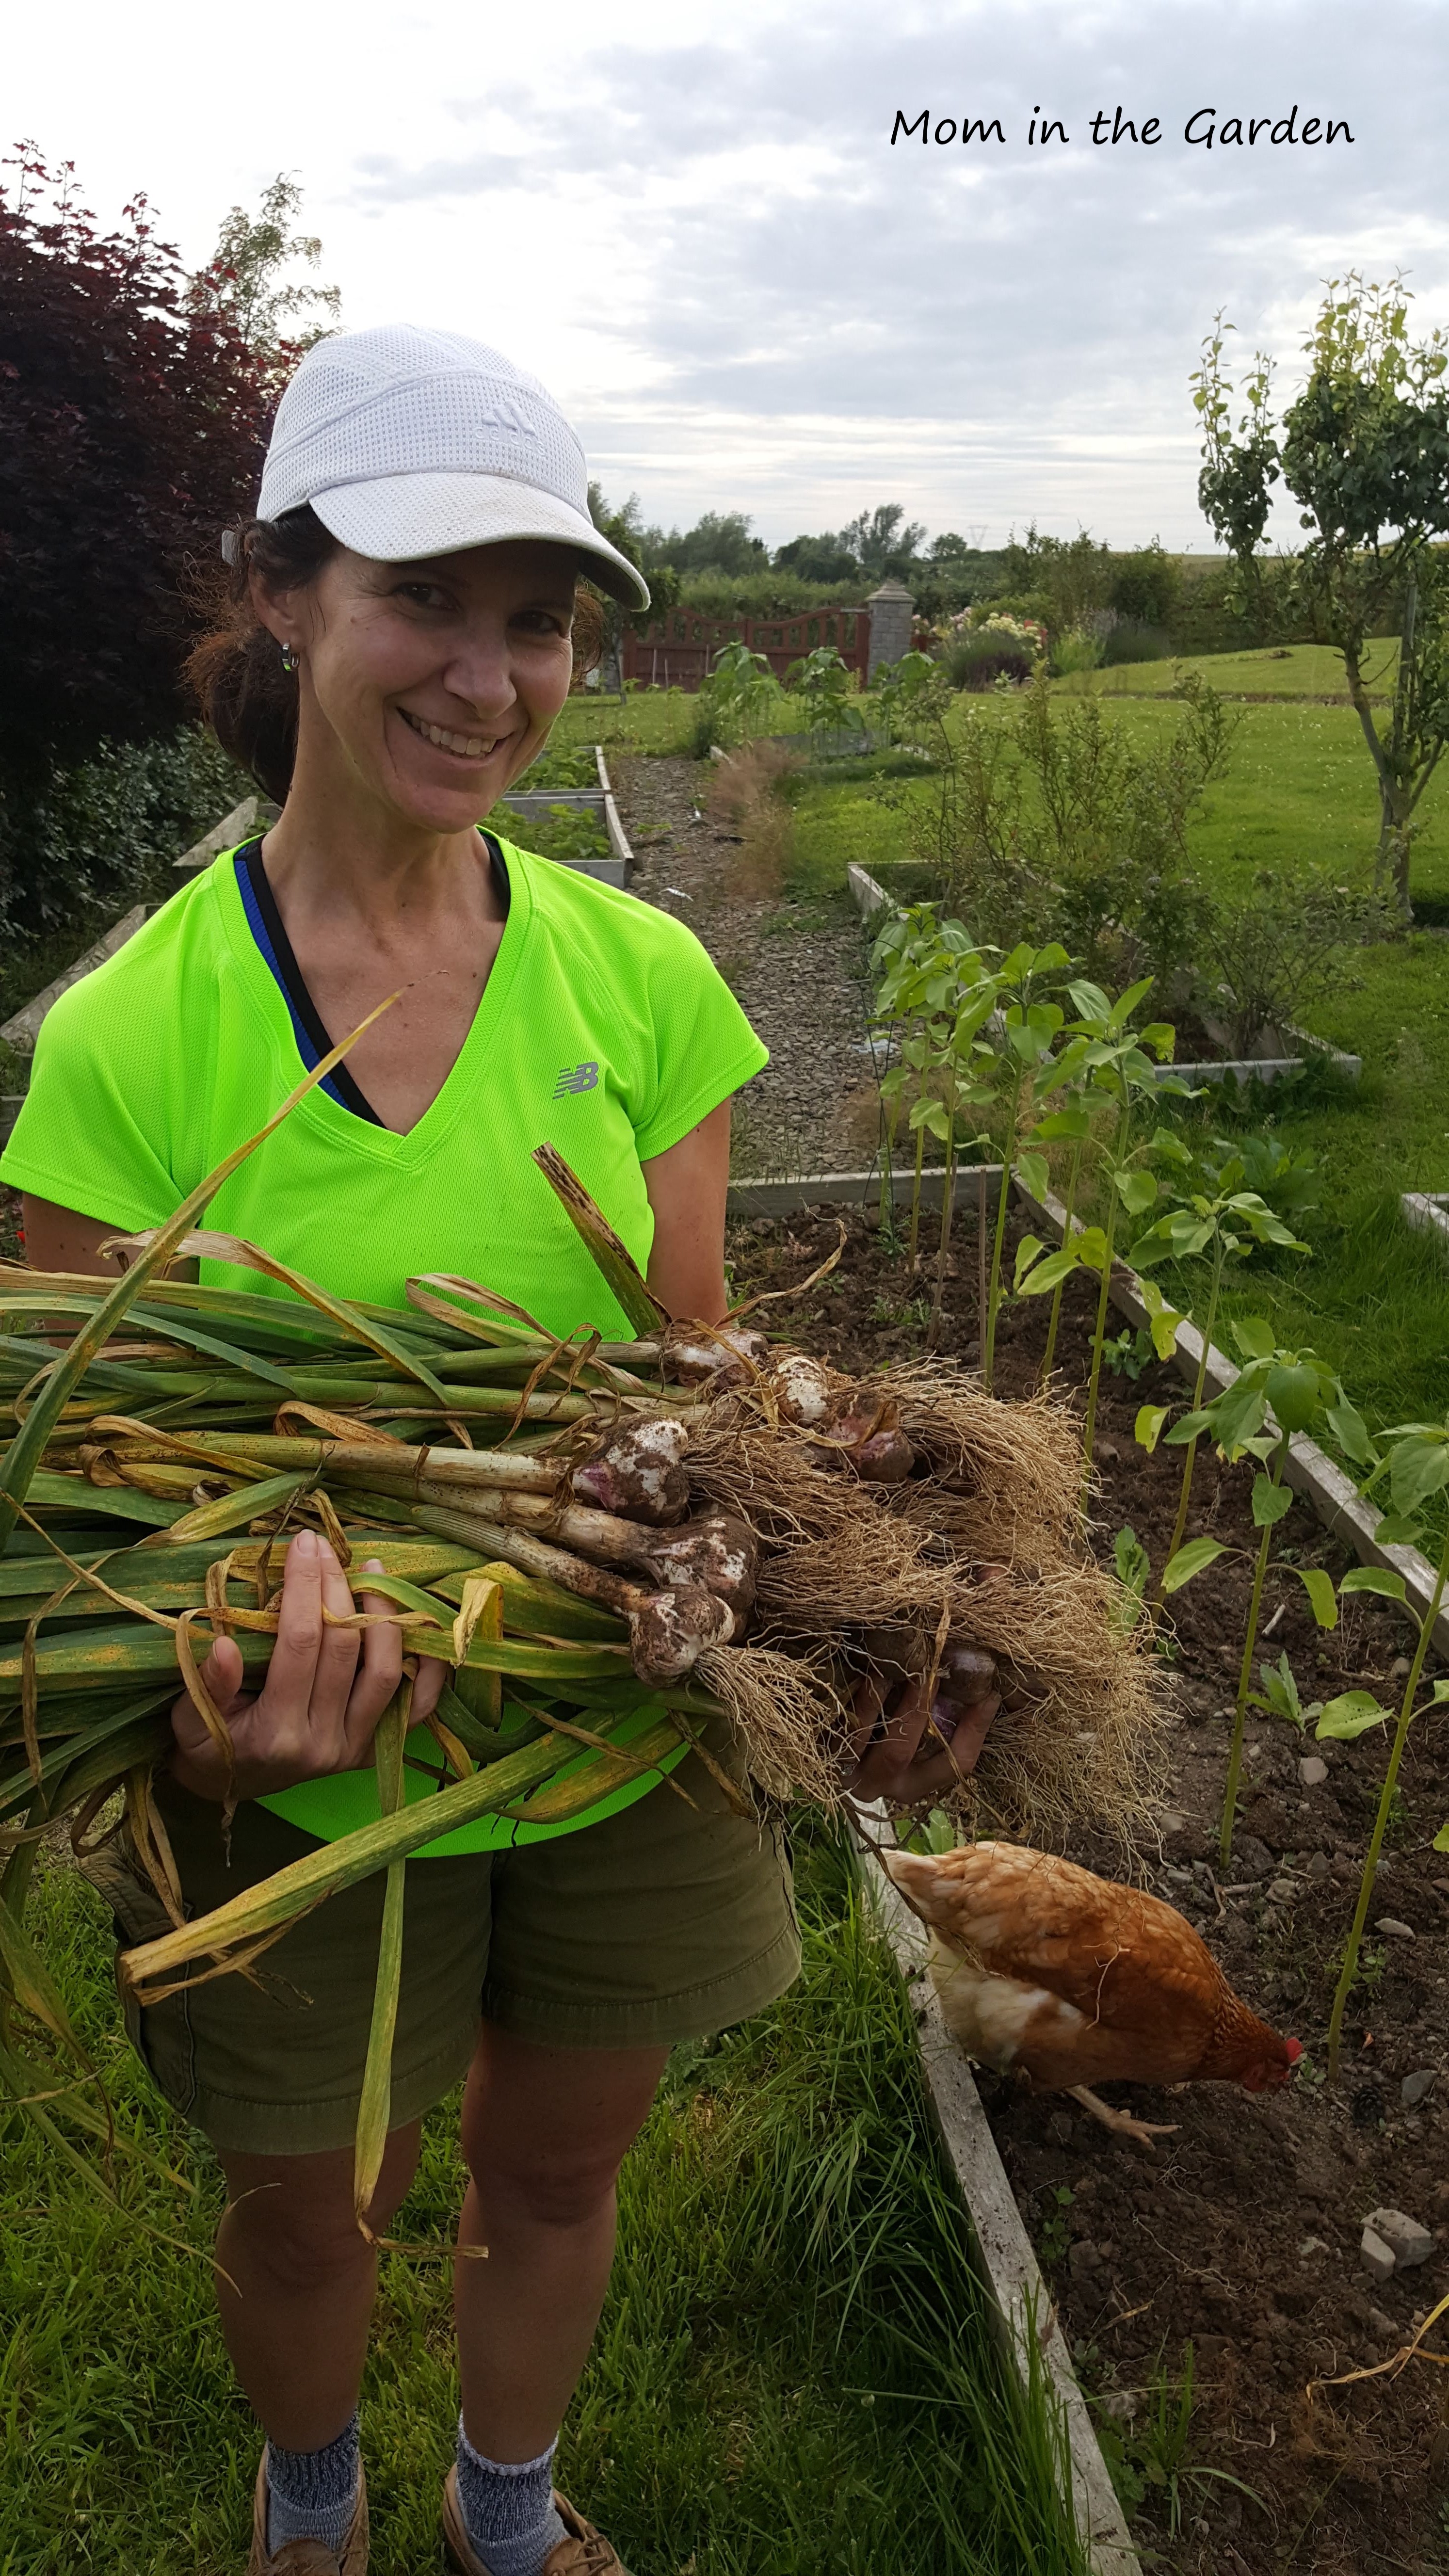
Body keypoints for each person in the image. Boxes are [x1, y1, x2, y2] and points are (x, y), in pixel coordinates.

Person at [3, 325, 989, 2576]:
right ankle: (317, 2499)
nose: (486, 671)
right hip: (302, 1772)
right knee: (307, 2205)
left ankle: (508, 2511)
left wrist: (862, 1640)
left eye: (536, 616)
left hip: (619, 1723)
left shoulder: (645, 989)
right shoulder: (132, 1041)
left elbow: (699, 1398)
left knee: (559, 2164)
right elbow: (81, 1511)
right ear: (280, 594)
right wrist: (204, 1721)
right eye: (422, 594)